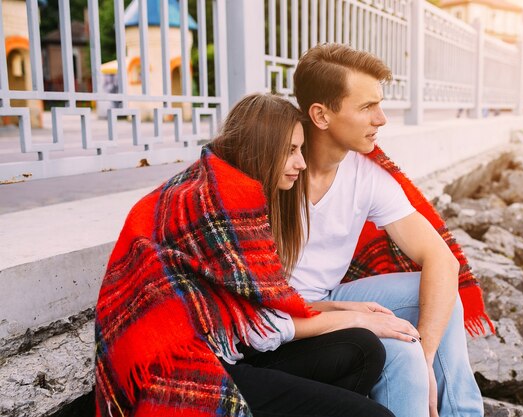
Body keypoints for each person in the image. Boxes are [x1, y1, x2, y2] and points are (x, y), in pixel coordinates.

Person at [94, 93, 395, 417]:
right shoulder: (212, 204)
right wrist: (355, 318)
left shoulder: (227, 186)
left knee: (363, 350)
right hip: (186, 371)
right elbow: (259, 327)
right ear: (262, 149)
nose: (302, 163)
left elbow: (248, 307)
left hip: (226, 348)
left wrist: (337, 307)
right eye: (292, 151)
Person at [290, 43, 495, 417]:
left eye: (379, 104)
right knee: (399, 349)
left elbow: (441, 260)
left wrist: (428, 359)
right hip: (281, 316)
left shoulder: (368, 176)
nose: (381, 119)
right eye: (367, 107)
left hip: (330, 293)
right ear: (320, 115)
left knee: (439, 291)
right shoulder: (277, 171)